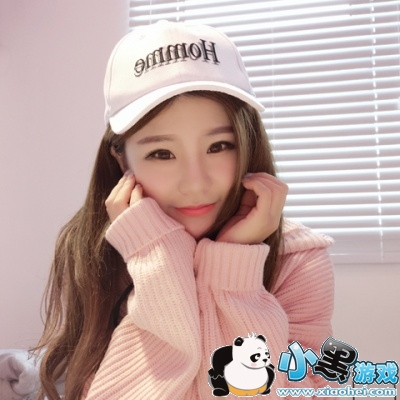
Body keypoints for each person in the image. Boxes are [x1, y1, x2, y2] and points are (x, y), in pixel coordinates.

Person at [35, 20, 335, 400]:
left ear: (248, 143)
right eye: (162, 153)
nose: (195, 184)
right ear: (122, 160)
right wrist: (156, 259)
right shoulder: (90, 251)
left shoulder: (298, 259)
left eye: (218, 146)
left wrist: (233, 269)